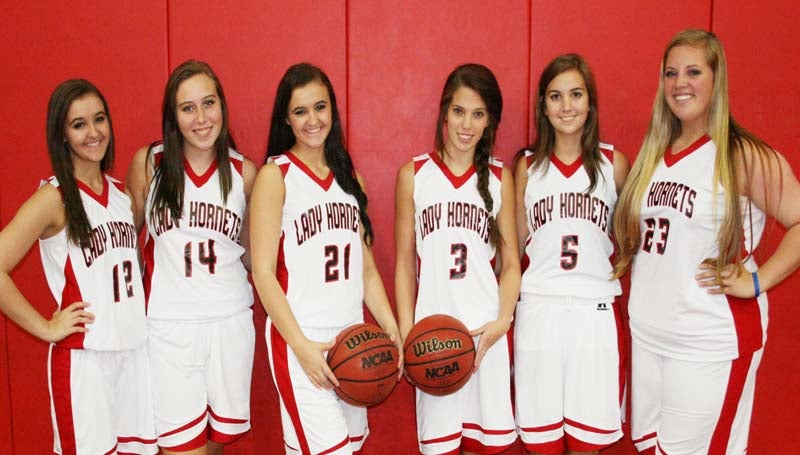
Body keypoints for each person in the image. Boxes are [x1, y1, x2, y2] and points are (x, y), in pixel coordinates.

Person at [613, 29, 800, 454]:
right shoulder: (655, 154)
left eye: (694, 72)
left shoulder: (741, 154)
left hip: (708, 338)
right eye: (671, 73)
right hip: (649, 336)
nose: (680, 83)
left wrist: (757, 281)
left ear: (717, 80)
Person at [250, 62, 403, 455]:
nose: (312, 120)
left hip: (353, 342)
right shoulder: (275, 176)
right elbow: (264, 275)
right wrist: (300, 346)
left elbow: (365, 269)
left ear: (333, 110)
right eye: (300, 111)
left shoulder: (349, 176)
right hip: (303, 341)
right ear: (286, 117)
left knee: (349, 447)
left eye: (320, 107)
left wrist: (390, 327)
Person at [0, 79, 156, 455]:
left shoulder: (120, 195)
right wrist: (46, 327)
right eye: (79, 124)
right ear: (63, 135)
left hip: (134, 352)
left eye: (99, 119)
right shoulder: (52, 198)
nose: (93, 132)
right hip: (86, 361)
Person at [127, 60, 257, 455]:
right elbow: (127, 243)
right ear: (173, 115)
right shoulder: (150, 163)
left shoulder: (244, 172)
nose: (201, 118)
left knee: (216, 445)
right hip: (169, 327)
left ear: (222, 106)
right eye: (188, 108)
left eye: (209, 103)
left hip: (230, 322)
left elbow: (254, 257)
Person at [395, 63, 520, 455]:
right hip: (433, 341)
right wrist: (406, 335)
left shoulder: (501, 177)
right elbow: (402, 264)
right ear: (444, 112)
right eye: (459, 111)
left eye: (478, 114)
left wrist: (501, 322)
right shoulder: (413, 175)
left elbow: (512, 263)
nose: (467, 124)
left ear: (490, 122)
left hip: (486, 335)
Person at [513, 54, 630, 455]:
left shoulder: (614, 164)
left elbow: (631, 243)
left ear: (590, 101)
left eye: (576, 95)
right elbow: (512, 250)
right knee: (542, 444)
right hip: (539, 309)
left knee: (586, 445)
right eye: (556, 96)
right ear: (542, 106)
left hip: (593, 314)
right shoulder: (527, 168)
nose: (566, 106)